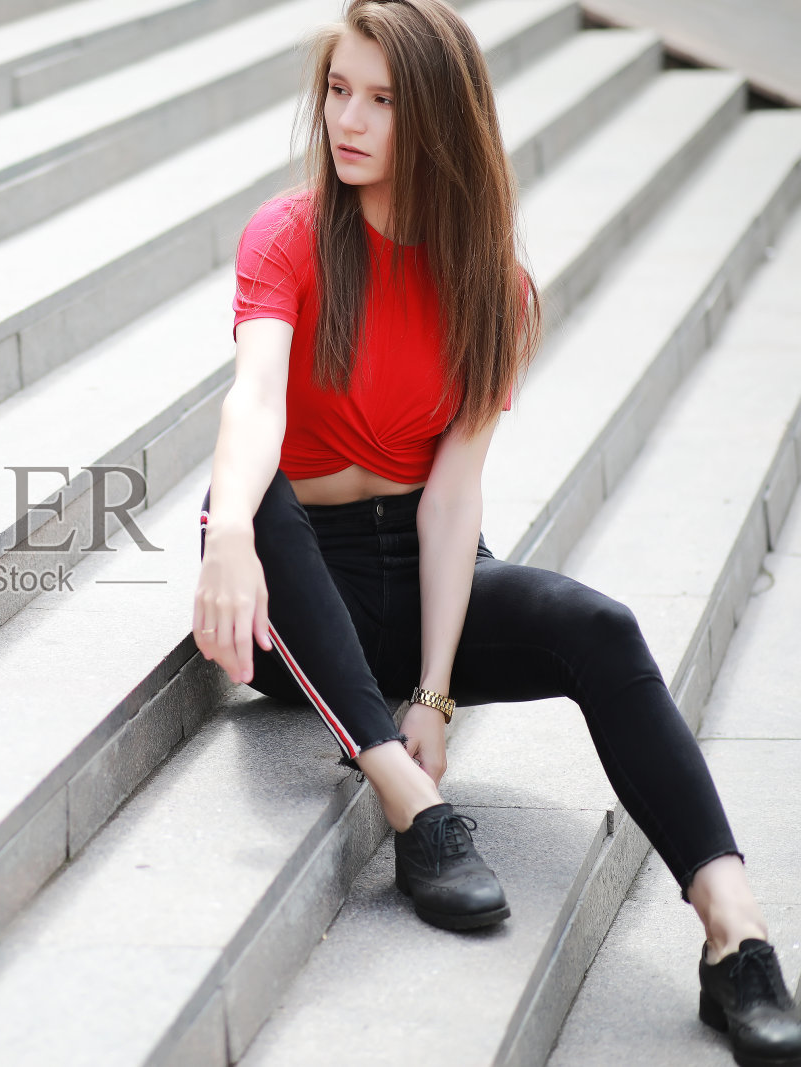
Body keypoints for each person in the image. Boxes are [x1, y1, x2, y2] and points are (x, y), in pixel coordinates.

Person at [192, 0, 801, 1061]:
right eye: (339, 90)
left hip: (420, 572)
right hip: (297, 587)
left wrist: (435, 688)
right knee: (248, 500)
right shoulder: (287, 237)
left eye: (381, 100)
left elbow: (452, 499)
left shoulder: (495, 291)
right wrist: (230, 533)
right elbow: (253, 401)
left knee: (600, 627)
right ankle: (416, 811)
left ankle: (733, 931)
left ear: (436, 119)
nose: (350, 119)